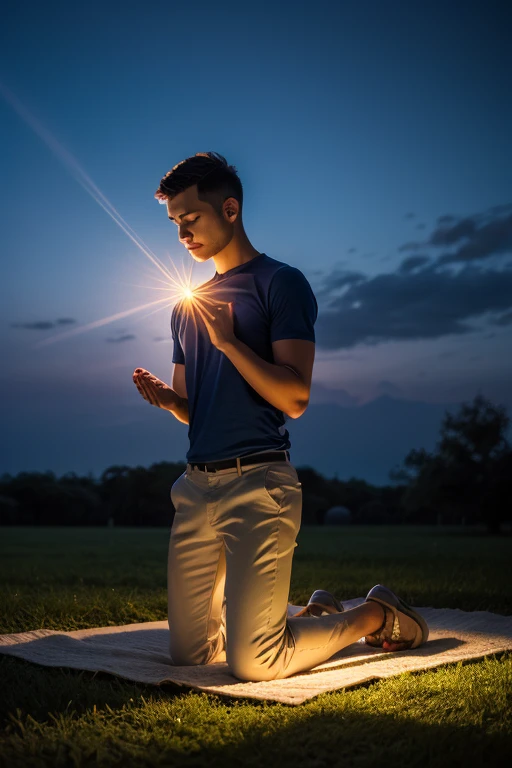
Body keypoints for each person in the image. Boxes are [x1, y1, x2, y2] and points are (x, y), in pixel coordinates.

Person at [132, 151, 429, 682]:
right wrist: (169, 401)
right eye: (175, 223)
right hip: (196, 489)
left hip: (260, 484)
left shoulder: (281, 284)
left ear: (230, 208)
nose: (182, 235)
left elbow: (294, 397)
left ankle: (374, 614)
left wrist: (227, 343)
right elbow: (193, 412)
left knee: (253, 662)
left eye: (191, 218)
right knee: (190, 655)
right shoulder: (184, 306)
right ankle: (311, 617)